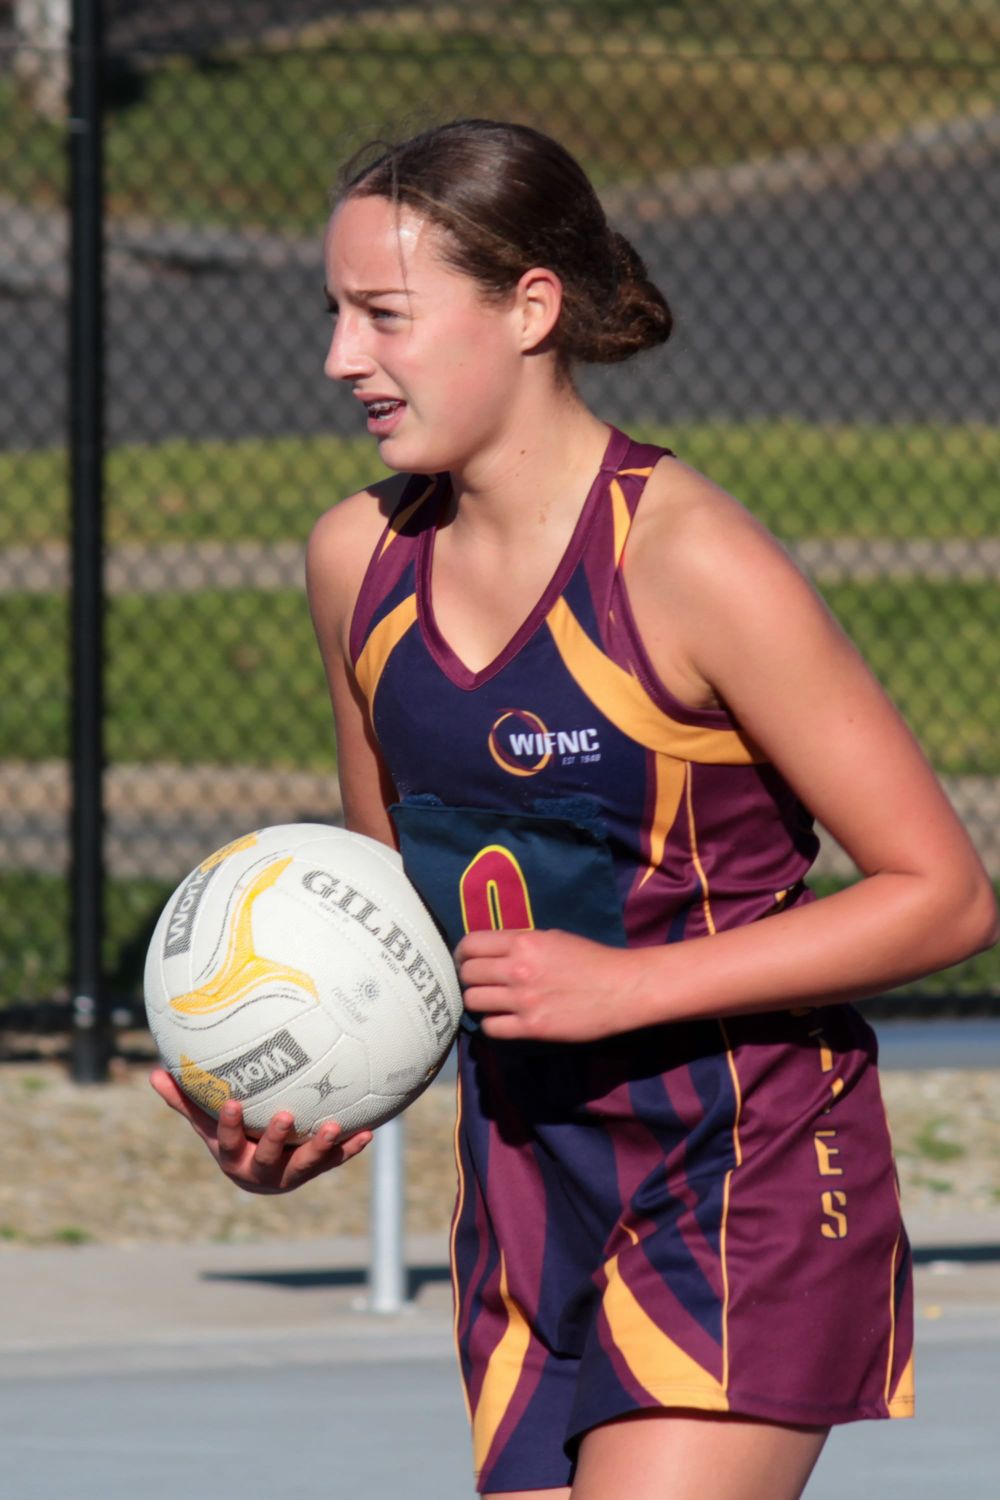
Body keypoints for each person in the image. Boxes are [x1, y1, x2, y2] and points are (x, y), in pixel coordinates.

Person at [152, 119, 998, 1499]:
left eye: (384, 316)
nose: (338, 359)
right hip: (529, 1189)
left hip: (747, 1174)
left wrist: (629, 986)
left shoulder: (689, 563)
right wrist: (310, 1088)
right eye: (334, 313)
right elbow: (391, 921)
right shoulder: (356, 561)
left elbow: (946, 895)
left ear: (531, 306)